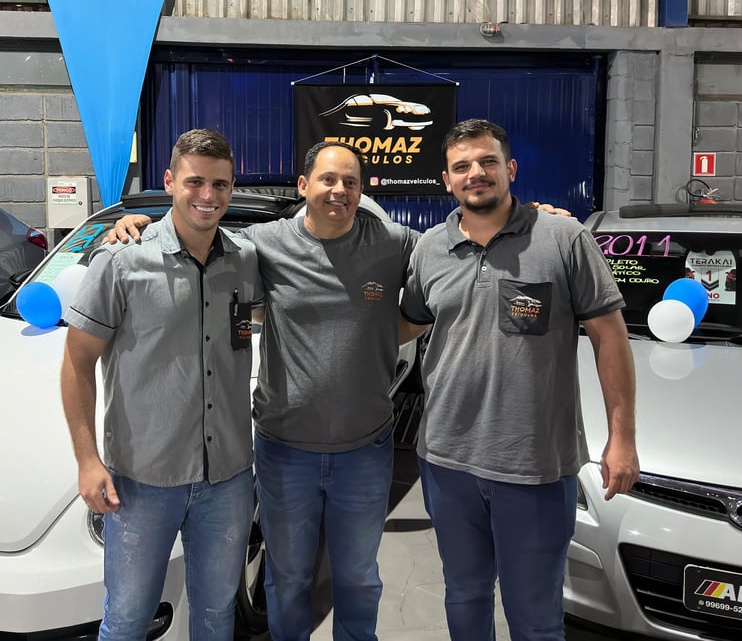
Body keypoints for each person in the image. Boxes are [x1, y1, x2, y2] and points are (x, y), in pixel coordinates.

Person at [109, 139, 568, 641]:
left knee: (357, 579)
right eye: (328, 179)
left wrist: (529, 220)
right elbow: (200, 235)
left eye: (350, 181)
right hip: (284, 449)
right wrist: (138, 227)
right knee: (287, 580)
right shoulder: (263, 243)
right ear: (305, 186)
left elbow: (460, 242)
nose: (339, 190)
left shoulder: (394, 241)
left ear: (362, 190)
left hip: (365, 449)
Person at [399, 119, 640, 641]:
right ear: (447, 179)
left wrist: (622, 438)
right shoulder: (430, 249)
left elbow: (610, 337)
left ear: (509, 169)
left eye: (487, 162)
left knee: (534, 616)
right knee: (464, 597)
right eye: (462, 166)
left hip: (533, 466)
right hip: (446, 461)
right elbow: (409, 322)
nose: (475, 173)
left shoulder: (563, 238)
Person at [60, 129, 263, 641]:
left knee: (216, 616)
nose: (208, 195)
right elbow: (76, 363)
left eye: (220, 184)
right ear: (170, 181)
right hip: (143, 482)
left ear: (232, 187)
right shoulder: (122, 261)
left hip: (229, 479)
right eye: (195, 181)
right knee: (127, 620)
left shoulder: (246, 262)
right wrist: (87, 460)